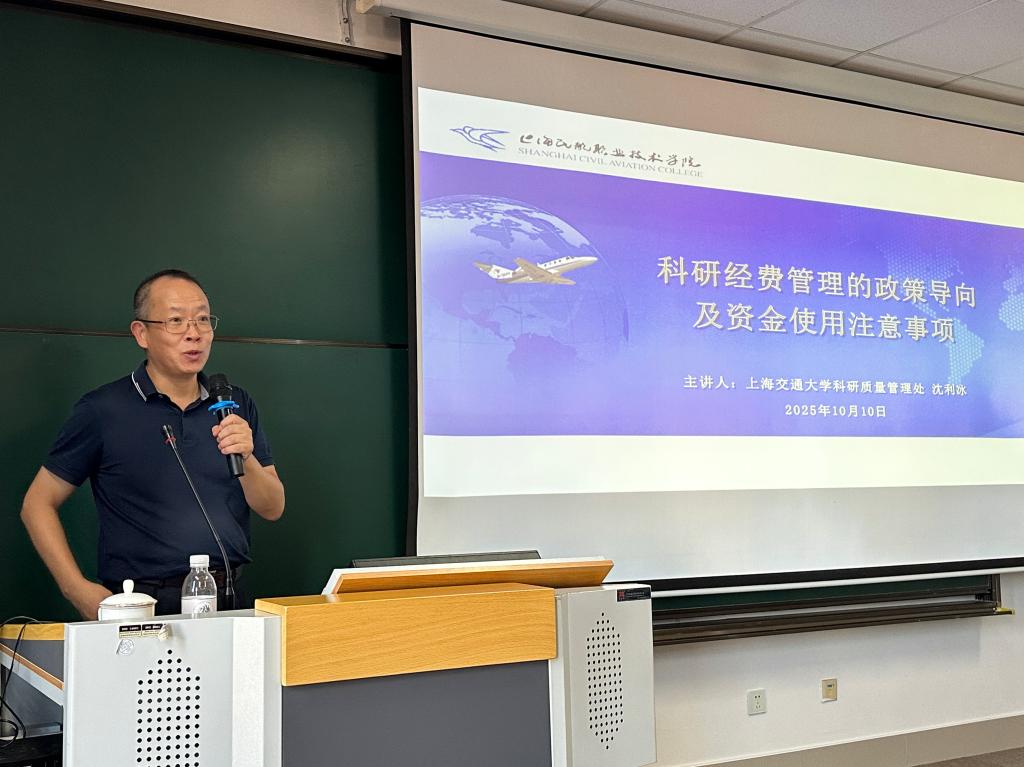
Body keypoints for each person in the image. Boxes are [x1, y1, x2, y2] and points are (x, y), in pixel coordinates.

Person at [20, 269, 285, 618]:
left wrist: (246, 457)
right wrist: (76, 589)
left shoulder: (233, 403)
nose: (194, 333)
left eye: (203, 320)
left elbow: (272, 507)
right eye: (176, 321)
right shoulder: (103, 410)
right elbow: (37, 503)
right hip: (143, 604)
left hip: (230, 598)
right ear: (141, 333)